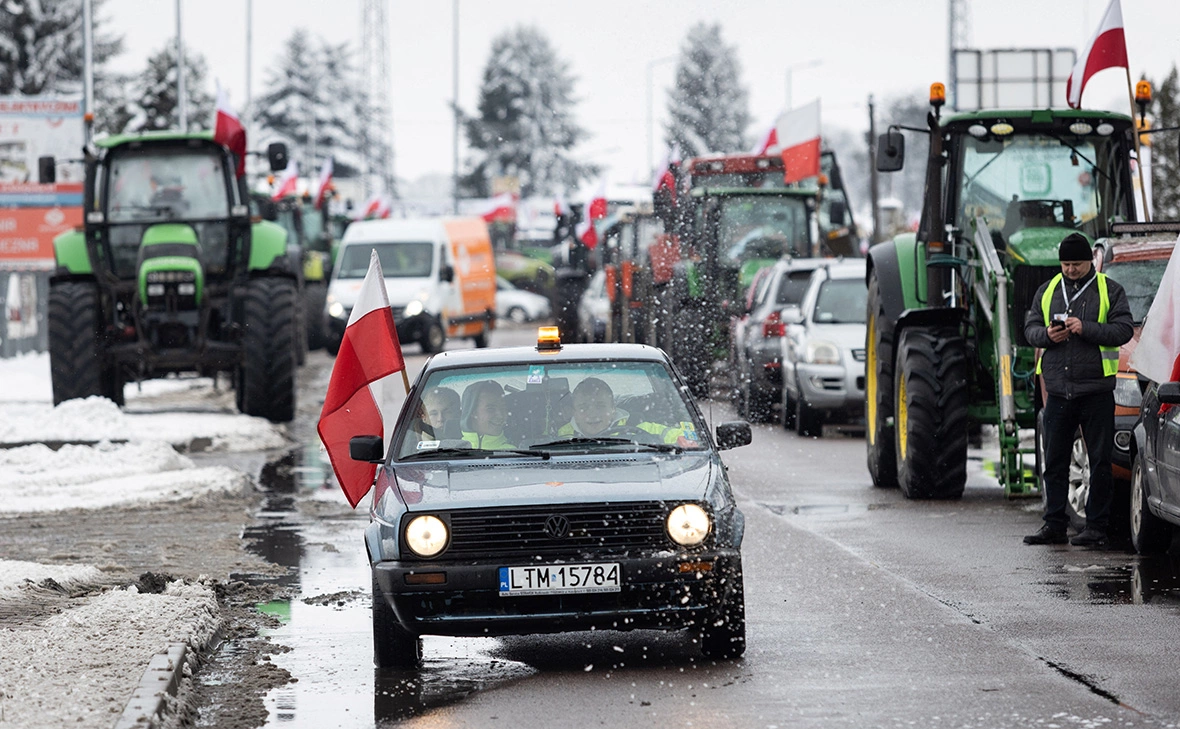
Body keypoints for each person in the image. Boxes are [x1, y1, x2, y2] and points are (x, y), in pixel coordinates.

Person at [1022, 232, 1133, 547]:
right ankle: (1054, 524)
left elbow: (1123, 329)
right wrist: (1046, 335)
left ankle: (1096, 527)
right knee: (1055, 460)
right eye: (1066, 264)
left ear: (1090, 262)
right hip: (1058, 390)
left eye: (1077, 264)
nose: (1070, 269)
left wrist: (1087, 329)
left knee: (1100, 461)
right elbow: (1029, 329)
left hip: (1096, 389)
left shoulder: (1110, 290)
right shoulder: (1047, 291)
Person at [556, 377, 688, 445]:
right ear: (574, 412)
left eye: (600, 406)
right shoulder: (560, 437)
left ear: (613, 409)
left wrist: (683, 440)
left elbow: (675, 434)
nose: (592, 414)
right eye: (583, 408)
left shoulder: (637, 427)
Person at [460, 381, 514, 449]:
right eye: (491, 408)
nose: (500, 416)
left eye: (503, 408)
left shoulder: (514, 452)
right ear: (472, 412)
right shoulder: (450, 451)